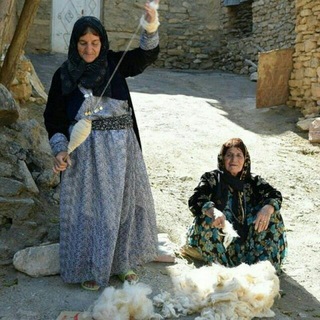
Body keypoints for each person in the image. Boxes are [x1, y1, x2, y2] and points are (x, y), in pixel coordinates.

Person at [43, 1, 160, 290]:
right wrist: (60, 149)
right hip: (85, 154)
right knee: (89, 210)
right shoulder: (63, 76)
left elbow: (147, 55)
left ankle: (121, 265)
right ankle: (91, 267)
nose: (89, 49)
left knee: (120, 208)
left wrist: (151, 21)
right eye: (83, 43)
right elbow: (54, 119)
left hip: (122, 154)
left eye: (95, 42)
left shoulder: (116, 65)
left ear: (102, 42)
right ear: (75, 44)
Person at [183, 138, 287, 274]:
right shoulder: (212, 179)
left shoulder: (254, 181)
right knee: (206, 219)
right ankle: (223, 270)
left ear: (245, 159)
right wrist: (212, 211)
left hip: (247, 245)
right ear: (222, 158)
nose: (234, 160)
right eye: (229, 155)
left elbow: (274, 195)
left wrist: (267, 208)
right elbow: (196, 199)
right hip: (219, 241)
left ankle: (262, 269)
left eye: (239, 155)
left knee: (272, 214)